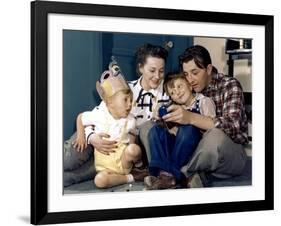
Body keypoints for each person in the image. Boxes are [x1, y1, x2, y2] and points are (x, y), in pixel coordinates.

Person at [63, 43, 169, 187]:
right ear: (140, 68)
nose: (157, 76)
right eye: (152, 70)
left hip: (122, 153)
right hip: (95, 138)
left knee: (66, 178)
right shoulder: (124, 88)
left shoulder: (169, 94)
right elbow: (99, 114)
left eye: (161, 71)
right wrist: (92, 138)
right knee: (66, 160)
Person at [161, 45, 248, 186]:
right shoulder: (187, 90)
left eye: (195, 72)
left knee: (215, 135)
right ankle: (191, 175)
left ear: (208, 69)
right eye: (186, 74)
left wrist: (191, 118)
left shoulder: (229, 85)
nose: (190, 79)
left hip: (228, 154)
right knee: (151, 128)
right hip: (197, 151)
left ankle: (176, 174)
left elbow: (233, 126)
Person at [75, 64, 143, 188]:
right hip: (104, 167)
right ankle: (130, 178)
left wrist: (133, 152)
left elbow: (132, 136)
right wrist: (81, 136)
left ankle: (139, 167)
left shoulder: (130, 120)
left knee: (134, 149)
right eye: (125, 100)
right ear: (110, 102)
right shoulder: (100, 115)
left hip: (123, 162)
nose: (129, 105)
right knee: (100, 181)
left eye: (130, 100)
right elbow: (81, 117)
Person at [144, 72, 216, 190]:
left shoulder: (204, 101)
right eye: (172, 92)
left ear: (190, 86)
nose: (176, 92)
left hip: (196, 144)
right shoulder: (175, 107)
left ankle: (168, 175)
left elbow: (211, 128)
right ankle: (162, 173)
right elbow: (168, 129)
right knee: (155, 131)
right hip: (178, 145)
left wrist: (190, 121)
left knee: (188, 129)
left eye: (179, 86)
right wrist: (161, 119)